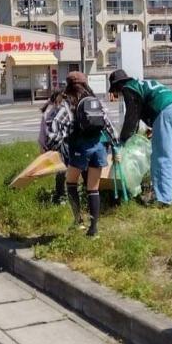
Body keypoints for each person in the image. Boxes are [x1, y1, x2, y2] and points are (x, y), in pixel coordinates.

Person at [47, 72, 118, 237]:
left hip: (80, 148)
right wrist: (116, 145)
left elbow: (56, 127)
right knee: (93, 188)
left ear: (69, 85)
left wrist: (54, 146)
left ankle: (78, 221)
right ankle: (93, 229)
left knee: (71, 183)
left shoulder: (68, 103)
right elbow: (109, 125)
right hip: (98, 148)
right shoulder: (95, 101)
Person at [108, 69, 172, 207]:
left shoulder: (128, 88)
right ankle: (169, 192)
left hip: (164, 110)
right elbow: (142, 111)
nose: (119, 94)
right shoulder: (140, 84)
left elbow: (131, 118)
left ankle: (164, 199)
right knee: (170, 154)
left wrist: (123, 141)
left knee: (160, 157)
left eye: (116, 91)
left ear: (118, 85)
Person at [38, 89, 67, 204]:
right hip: (58, 146)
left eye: (61, 102)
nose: (59, 104)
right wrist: (42, 147)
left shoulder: (61, 112)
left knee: (63, 171)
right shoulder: (49, 113)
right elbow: (42, 133)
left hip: (60, 145)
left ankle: (62, 194)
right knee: (61, 171)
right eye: (57, 102)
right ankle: (61, 195)